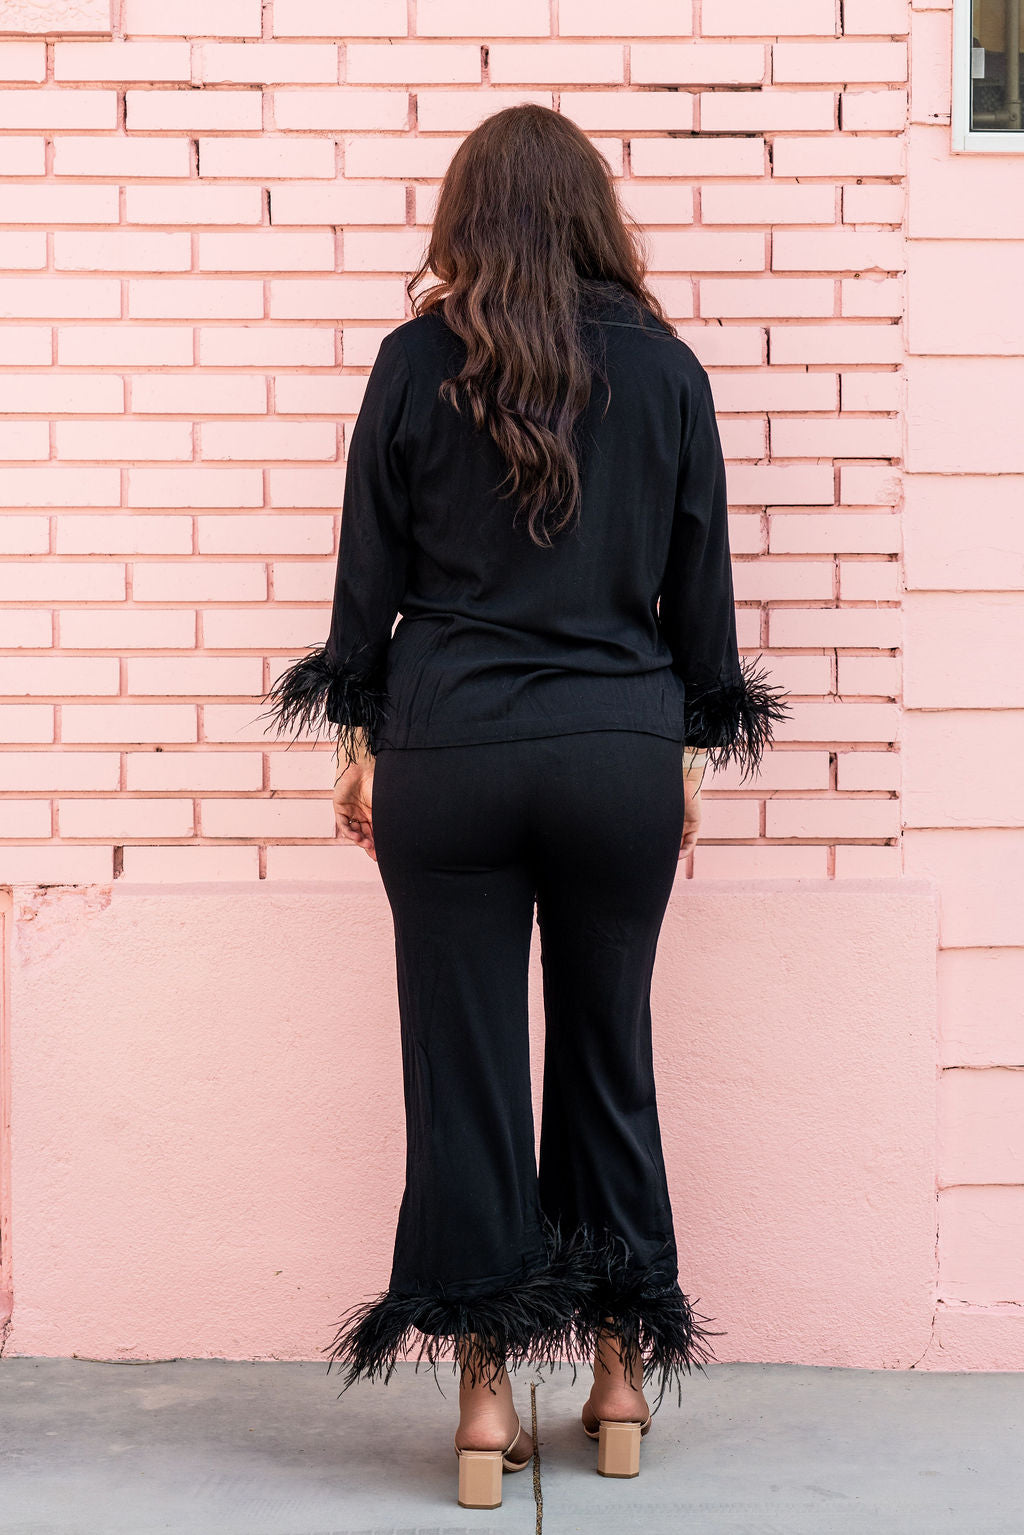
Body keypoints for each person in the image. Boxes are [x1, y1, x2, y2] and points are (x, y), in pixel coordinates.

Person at [261, 102, 791, 1508]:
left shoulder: (413, 363)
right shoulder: (666, 371)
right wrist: (687, 752)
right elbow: (703, 592)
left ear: (464, 220)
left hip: (450, 749)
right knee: (609, 1058)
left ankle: (486, 1400)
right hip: (616, 751)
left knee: (467, 1072)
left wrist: (358, 740)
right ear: (593, 217)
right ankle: (617, 1381)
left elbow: (366, 577)